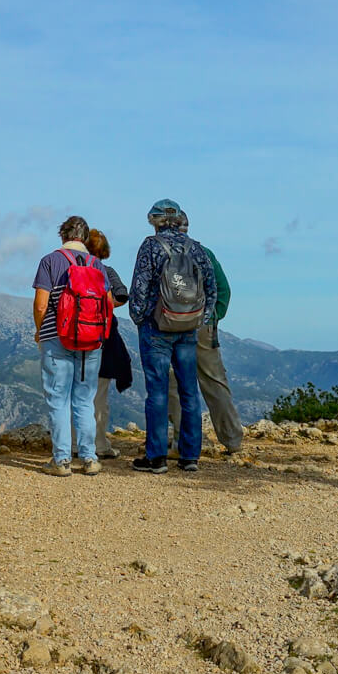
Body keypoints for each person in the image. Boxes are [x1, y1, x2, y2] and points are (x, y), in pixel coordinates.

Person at [128, 198, 217, 473]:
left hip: (157, 328)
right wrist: (197, 319)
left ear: (154, 220)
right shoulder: (197, 249)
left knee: (157, 391)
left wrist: (140, 318)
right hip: (188, 328)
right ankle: (190, 456)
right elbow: (211, 289)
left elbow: (140, 287)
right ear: (178, 220)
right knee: (189, 391)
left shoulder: (151, 247)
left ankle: (156, 457)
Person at [32, 216, 111, 477]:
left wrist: (40, 330)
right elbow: (108, 304)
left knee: (58, 399)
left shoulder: (50, 261)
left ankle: (62, 460)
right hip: (91, 341)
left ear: (62, 235)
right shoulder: (97, 265)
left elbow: (41, 304)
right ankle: (90, 459)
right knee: (85, 400)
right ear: (85, 238)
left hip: (58, 338)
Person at [166, 217, 244, 456]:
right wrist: (212, 317)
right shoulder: (204, 252)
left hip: (170, 325)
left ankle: (183, 442)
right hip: (202, 326)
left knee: (174, 385)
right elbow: (224, 290)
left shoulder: (161, 252)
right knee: (214, 382)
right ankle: (232, 441)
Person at [85, 228, 134, 459]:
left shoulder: (68, 269)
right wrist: (105, 307)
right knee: (99, 396)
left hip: (71, 338)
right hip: (101, 338)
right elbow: (123, 295)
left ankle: (73, 444)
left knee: (74, 394)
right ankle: (99, 444)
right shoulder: (107, 271)